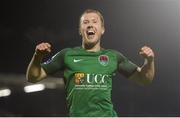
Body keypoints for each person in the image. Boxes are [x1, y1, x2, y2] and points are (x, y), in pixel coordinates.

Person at [26, 9, 155, 117]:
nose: (90, 25)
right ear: (80, 30)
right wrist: (38, 56)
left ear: (102, 29)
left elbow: (144, 79)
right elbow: (33, 77)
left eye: (95, 22)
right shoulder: (66, 55)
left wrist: (149, 61)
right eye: (85, 22)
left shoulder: (113, 56)